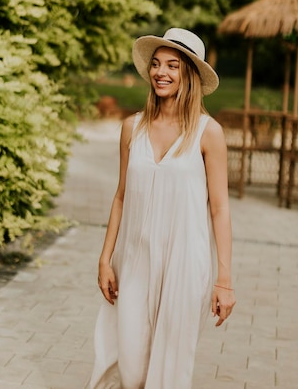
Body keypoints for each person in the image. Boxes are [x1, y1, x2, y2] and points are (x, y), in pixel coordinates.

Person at [89, 28, 235, 389]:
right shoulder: (131, 128)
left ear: (189, 74)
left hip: (186, 266)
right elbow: (121, 194)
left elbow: (219, 209)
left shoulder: (208, 133)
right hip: (135, 262)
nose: (161, 72)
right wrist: (106, 258)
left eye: (172, 65)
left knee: (170, 372)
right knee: (132, 369)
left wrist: (225, 280)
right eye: (156, 64)